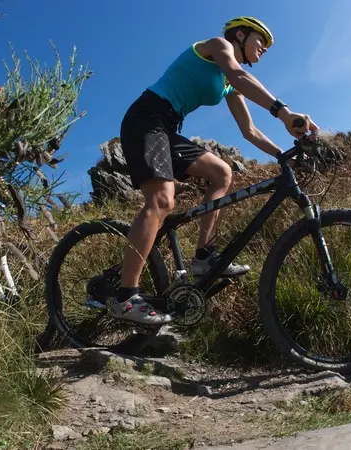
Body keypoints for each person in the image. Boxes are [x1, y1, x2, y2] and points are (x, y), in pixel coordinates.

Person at [112, 16, 320, 325]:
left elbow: (249, 131)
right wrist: (284, 113)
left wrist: (282, 155)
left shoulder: (227, 84)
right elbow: (237, 74)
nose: (263, 48)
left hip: (167, 129)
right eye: (259, 40)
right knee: (161, 200)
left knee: (222, 173)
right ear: (240, 35)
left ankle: (203, 258)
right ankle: (125, 297)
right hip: (146, 118)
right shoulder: (217, 47)